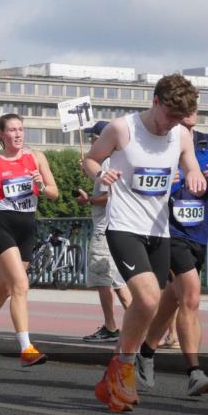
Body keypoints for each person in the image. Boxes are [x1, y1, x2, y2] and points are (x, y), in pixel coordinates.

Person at [83, 74, 205, 413]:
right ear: (155, 102)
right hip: (123, 226)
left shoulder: (180, 133)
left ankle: (115, 370)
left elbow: (189, 159)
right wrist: (100, 174)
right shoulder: (122, 129)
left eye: (180, 119)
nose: (172, 124)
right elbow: (90, 159)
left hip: (159, 231)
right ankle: (124, 370)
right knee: (149, 299)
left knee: (151, 304)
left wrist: (193, 172)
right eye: (169, 115)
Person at [134, 110, 208, 396]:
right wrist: (166, 179)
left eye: (194, 106)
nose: (190, 111)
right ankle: (194, 372)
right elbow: (137, 184)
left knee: (174, 298)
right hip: (167, 232)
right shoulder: (159, 143)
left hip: (198, 233)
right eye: (184, 106)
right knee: (191, 295)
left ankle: (147, 351)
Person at [0, 114, 59, 366]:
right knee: (20, 286)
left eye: (21, 129)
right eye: (12, 130)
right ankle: (26, 348)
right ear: (1, 135)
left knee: (6, 288)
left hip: (27, 228)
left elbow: (54, 192)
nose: (18, 134)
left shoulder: (36, 158)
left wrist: (42, 184)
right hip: (1, 226)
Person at [78, 121, 132, 343]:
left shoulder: (107, 161)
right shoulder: (116, 160)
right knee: (117, 280)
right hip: (118, 225)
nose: (91, 141)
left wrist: (88, 199)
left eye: (94, 137)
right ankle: (138, 325)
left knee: (103, 277)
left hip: (105, 226)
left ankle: (111, 327)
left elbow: (109, 197)